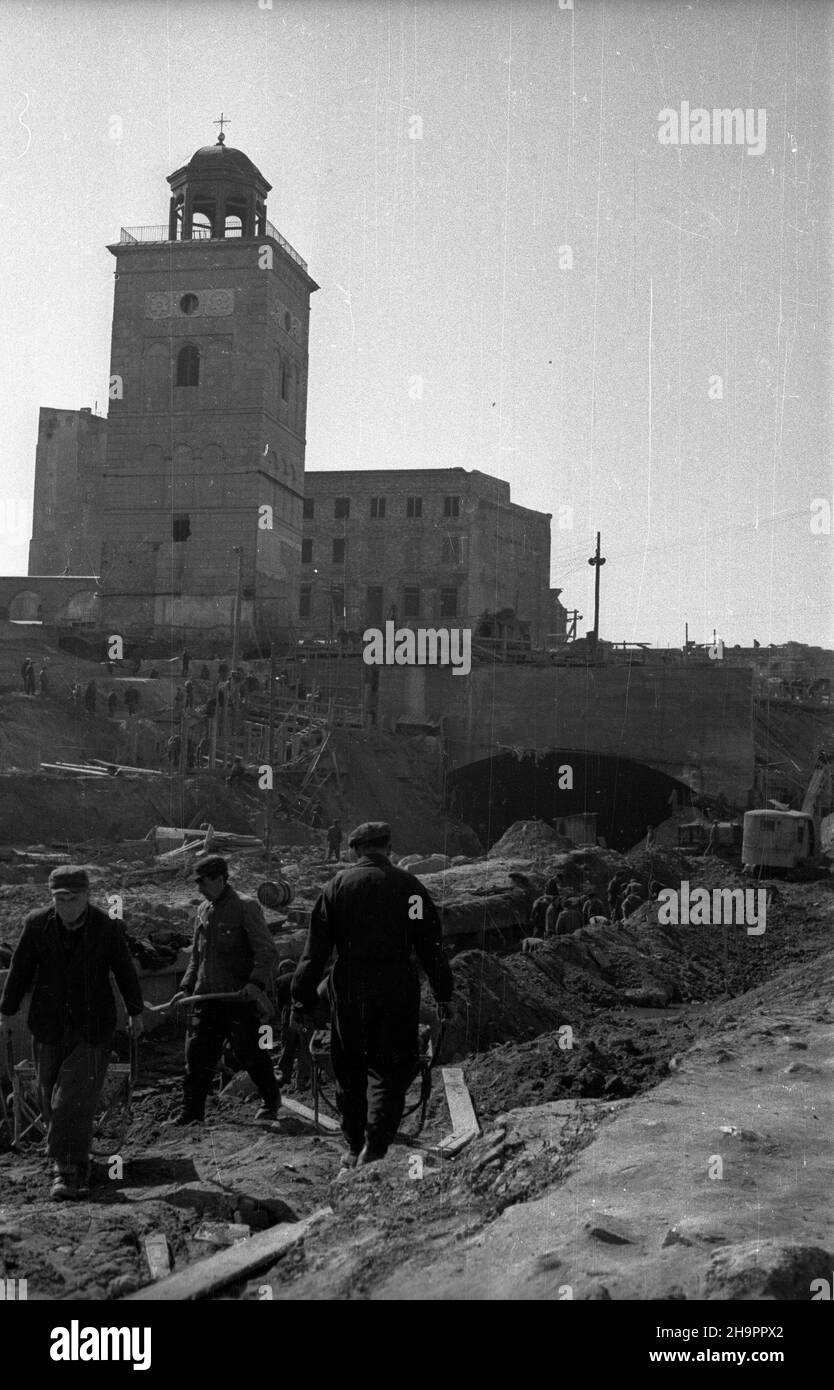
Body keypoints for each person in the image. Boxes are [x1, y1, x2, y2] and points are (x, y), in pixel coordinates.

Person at [292, 821, 454, 1169]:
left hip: (350, 984)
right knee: (391, 1068)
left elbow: (314, 952)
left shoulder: (337, 887)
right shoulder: (410, 887)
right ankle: (376, 1146)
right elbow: (430, 946)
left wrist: (302, 998)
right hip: (396, 984)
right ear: (389, 848)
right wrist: (444, 993)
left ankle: (352, 1146)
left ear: (355, 850)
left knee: (350, 1067)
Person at [0, 866, 144, 1200]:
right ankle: (72, 1158)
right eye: (59, 899)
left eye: (73, 899)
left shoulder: (106, 927)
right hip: (48, 1025)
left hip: (93, 1026)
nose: (66, 906)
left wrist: (136, 1011)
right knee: (49, 1096)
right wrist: (7, 1012)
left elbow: (124, 970)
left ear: (87, 896)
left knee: (70, 1099)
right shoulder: (37, 924)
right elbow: (20, 968)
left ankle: (66, 1171)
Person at [168, 856, 281, 1125]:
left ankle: (271, 1100)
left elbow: (266, 951)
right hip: (206, 999)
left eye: (203, 883)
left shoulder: (246, 907)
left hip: (238, 1000)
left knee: (249, 1053)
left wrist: (255, 984)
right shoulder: (204, 910)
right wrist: (185, 987)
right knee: (197, 1057)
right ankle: (192, 1113)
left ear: (220, 879)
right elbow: (197, 957)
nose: (198, 890)